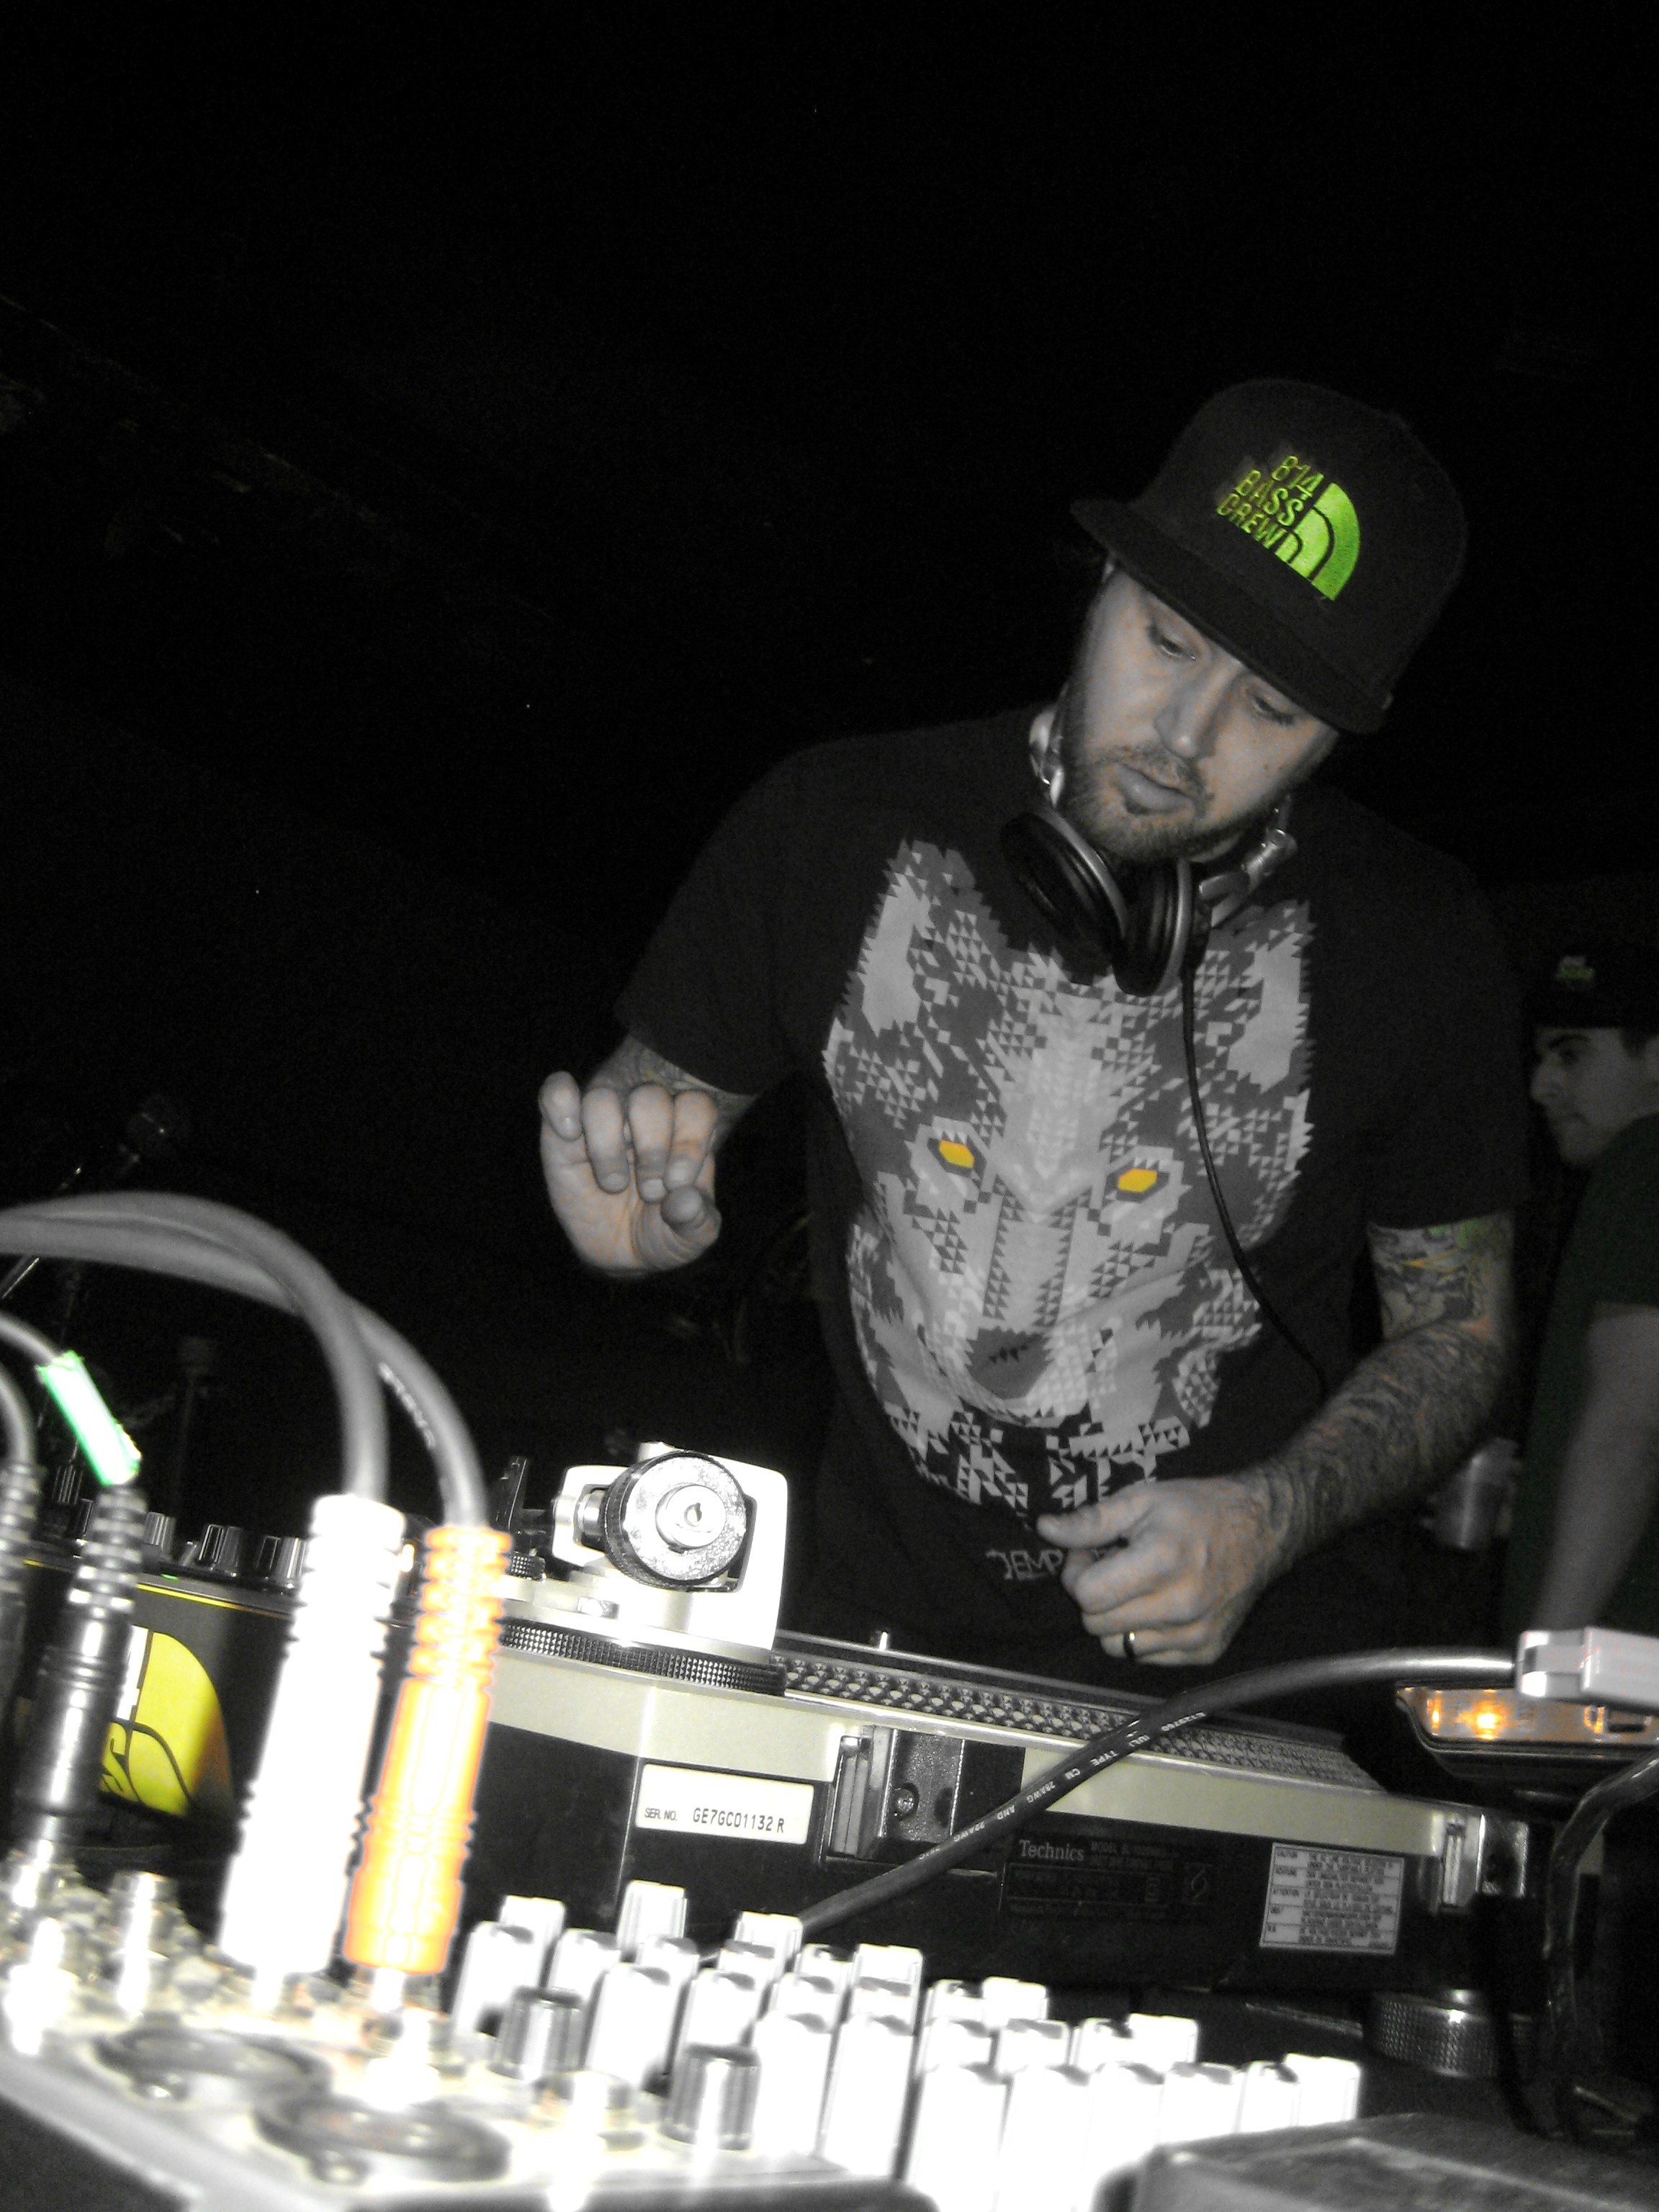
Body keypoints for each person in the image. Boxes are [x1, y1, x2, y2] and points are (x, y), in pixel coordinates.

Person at [541, 380, 1527, 1689]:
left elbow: (1457, 1334)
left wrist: (1273, 1515)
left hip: (1245, 1691)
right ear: (1101, 581)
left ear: (1335, 739)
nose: (1184, 737)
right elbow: (650, 1136)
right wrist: (622, 1232)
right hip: (880, 1643)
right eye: (1167, 641)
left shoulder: (1417, 940)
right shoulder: (828, 826)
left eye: (1271, 710)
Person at [1502, 945, 1659, 1637]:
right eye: (1540, 1058)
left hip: (1616, 1670)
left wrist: (1550, 1666)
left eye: (1571, 1055)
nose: (1541, 1087)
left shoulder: (1646, 1161)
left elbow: (1632, 1427)